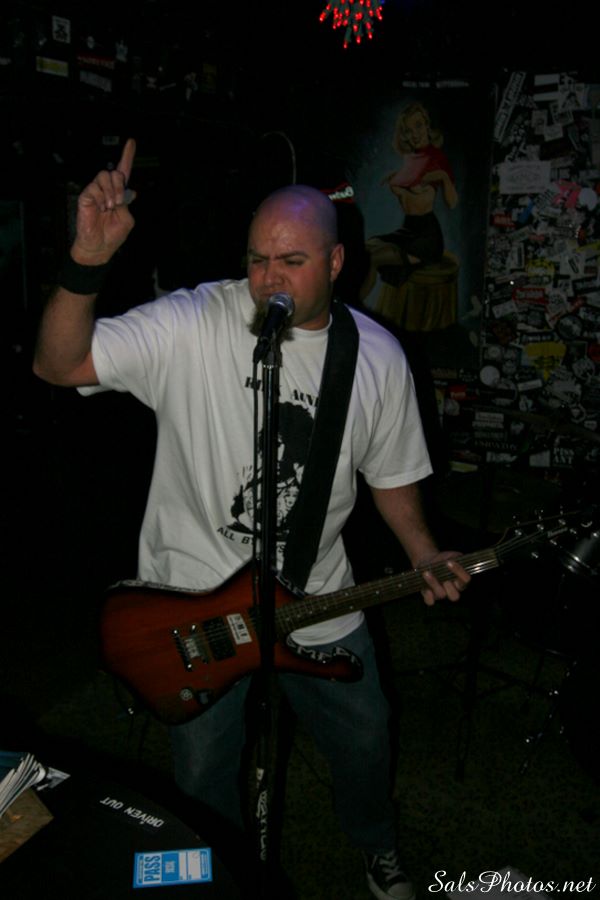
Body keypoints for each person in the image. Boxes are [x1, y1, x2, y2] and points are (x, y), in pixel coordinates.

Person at [33, 138, 471, 900]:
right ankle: (216, 876)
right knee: (203, 773)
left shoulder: (376, 359)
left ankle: (376, 847)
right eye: (258, 260)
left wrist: (423, 551)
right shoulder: (194, 321)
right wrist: (85, 263)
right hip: (192, 603)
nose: (269, 278)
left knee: (365, 738)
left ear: (336, 263)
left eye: (292, 261)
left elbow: (393, 479)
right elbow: (58, 364)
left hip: (317, 594)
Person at [361, 101, 458, 302]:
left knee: (374, 258)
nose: (414, 134)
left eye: (418, 126)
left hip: (426, 238)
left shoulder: (436, 159)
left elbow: (452, 202)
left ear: (427, 125)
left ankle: (355, 308)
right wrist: (396, 178)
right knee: (368, 246)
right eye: (408, 130)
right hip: (408, 229)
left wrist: (443, 177)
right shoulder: (412, 159)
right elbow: (411, 182)